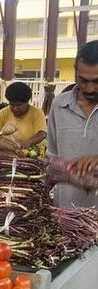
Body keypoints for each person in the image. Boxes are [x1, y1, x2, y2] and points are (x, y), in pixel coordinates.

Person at [47, 40, 98, 208]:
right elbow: (52, 157)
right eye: (83, 80)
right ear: (75, 71)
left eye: (97, 81)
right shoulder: (59, 105)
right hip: (66, 213)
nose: (90, 89)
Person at [0, 81, 46, 148]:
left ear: (27, 102)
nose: (15, 108)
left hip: (34, 152)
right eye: (12, 104)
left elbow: (42, 134)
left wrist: (29, 142)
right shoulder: (4, 112)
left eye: (19, 105)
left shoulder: (37, 112)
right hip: (11, 152)